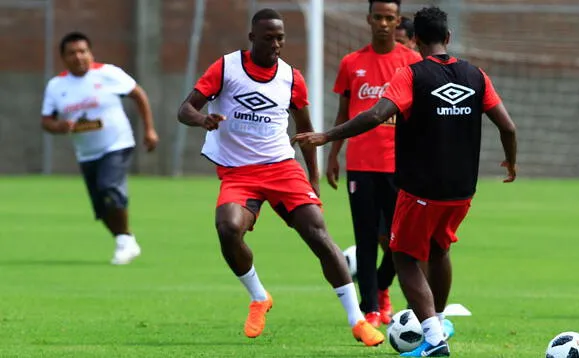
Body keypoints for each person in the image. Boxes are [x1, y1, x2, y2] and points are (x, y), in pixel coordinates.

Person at [293, 6, 517, 357]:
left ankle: (433, 339)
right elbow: (508, 126)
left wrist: (326, 137)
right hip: (462, 191)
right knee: (440, 249)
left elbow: (375, 114)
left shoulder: (412, 74)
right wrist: (511, 162)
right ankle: (439, 322)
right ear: (447, 38)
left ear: (414, 39)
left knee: (404, 257)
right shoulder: (476, 75)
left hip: (421, 189)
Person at [176, 8, 384, 346]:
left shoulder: (291, 77)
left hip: (281, 168)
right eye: (269, 37)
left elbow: (305, 131)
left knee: (318, 234)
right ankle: (259, 297)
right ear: (252, 38)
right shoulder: (226, 67)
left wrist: (313, 179)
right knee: (228, 229)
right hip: (239, 172)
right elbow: (185, 108)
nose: (276, 44)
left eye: (280, 38)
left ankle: (357, 320)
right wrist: (202, 119)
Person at [329, 0, 422, 328]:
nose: (383, 23)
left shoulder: (412, 61)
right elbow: (344, 113)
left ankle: (386, 289)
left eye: (389, 18)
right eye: (378, 17)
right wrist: (332, 154)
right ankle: (370, 308)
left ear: (397, 20)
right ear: (369, 19)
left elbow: (420, 115)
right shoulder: (352, 62)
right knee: (366, 239)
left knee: (403, 240)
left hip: (401, 167)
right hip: (361, 164)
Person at [40, 32, 159, 265]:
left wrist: (149, 130)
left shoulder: (108, 74)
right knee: (101, 207)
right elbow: (46, 121)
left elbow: (138, 95)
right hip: (86, 152)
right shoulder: (56, 86)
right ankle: (125, 239)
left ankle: (124, 240)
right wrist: (60, 126)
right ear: (63, 58)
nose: (78, 57)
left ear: (91, 53)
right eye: (72, 53)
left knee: (109, 187)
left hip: (117, 143)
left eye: (83, 51)